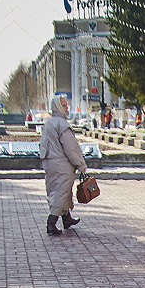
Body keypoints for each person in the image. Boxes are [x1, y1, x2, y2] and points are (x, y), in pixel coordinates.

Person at [39, 94, 88, 236]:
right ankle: (51, 222)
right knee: (61, 192)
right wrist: (81, 165)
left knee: (61, 190)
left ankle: (67, 219)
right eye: (64, 105)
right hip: (62, 164)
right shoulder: (62, 125)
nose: (67, 108)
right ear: (58, 107)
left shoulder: (48, 123)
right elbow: (71, 148)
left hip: (50, 163)